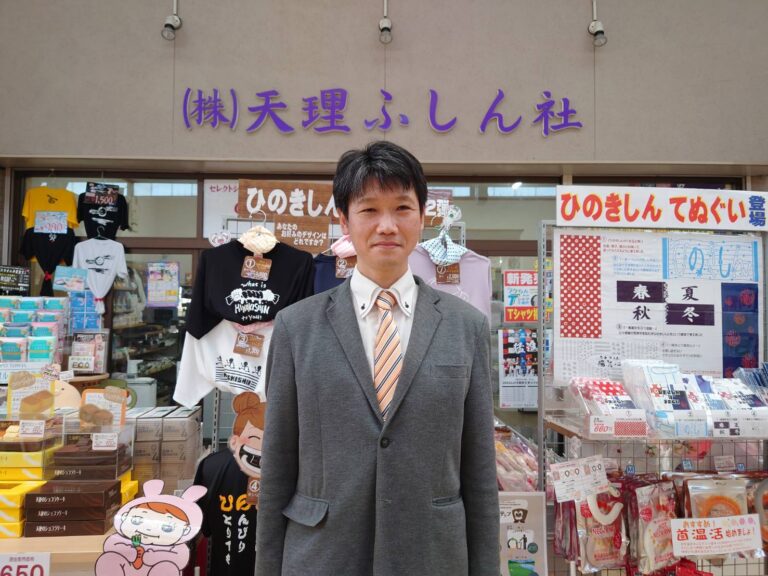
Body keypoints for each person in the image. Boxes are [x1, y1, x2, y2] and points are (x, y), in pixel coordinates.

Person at [256, 141, 499, 575]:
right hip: (322, 555)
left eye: (402, 208)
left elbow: (480, 471)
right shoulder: (296, 327)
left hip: (431, 555)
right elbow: (277, 465)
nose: (387, 225)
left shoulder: (467, 327)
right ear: (344, 220)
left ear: (422, 216)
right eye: (369, 210)